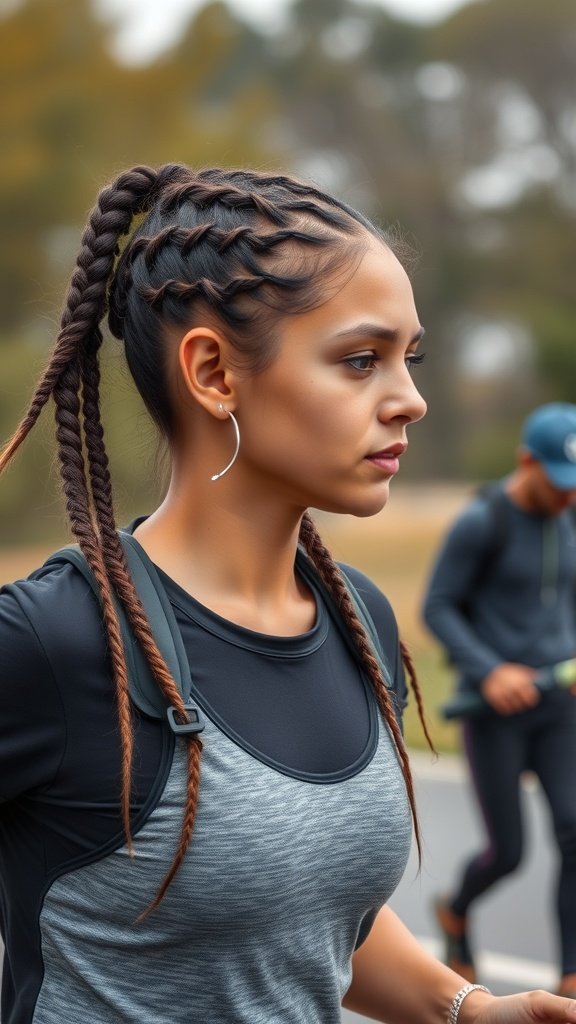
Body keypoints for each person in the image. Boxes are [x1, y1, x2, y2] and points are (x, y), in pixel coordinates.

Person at [0, 163, 574, 1024]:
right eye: (360, 360)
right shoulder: (55, 641)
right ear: (214, 373)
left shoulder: (359, 620)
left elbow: (304, 918)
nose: (411, 401)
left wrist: (467, 1009)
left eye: (410, 359)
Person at [422, 402, 576, 998]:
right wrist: (489, 671)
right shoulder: (482, 522)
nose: (567, 495)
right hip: (495, 712)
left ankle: (569, 980)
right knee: (508, 853)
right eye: (558, 482)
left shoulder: (569, 517)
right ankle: (455, 909)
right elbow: (438, 607)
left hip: (558, 707)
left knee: (574, 832)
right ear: (526, 462)